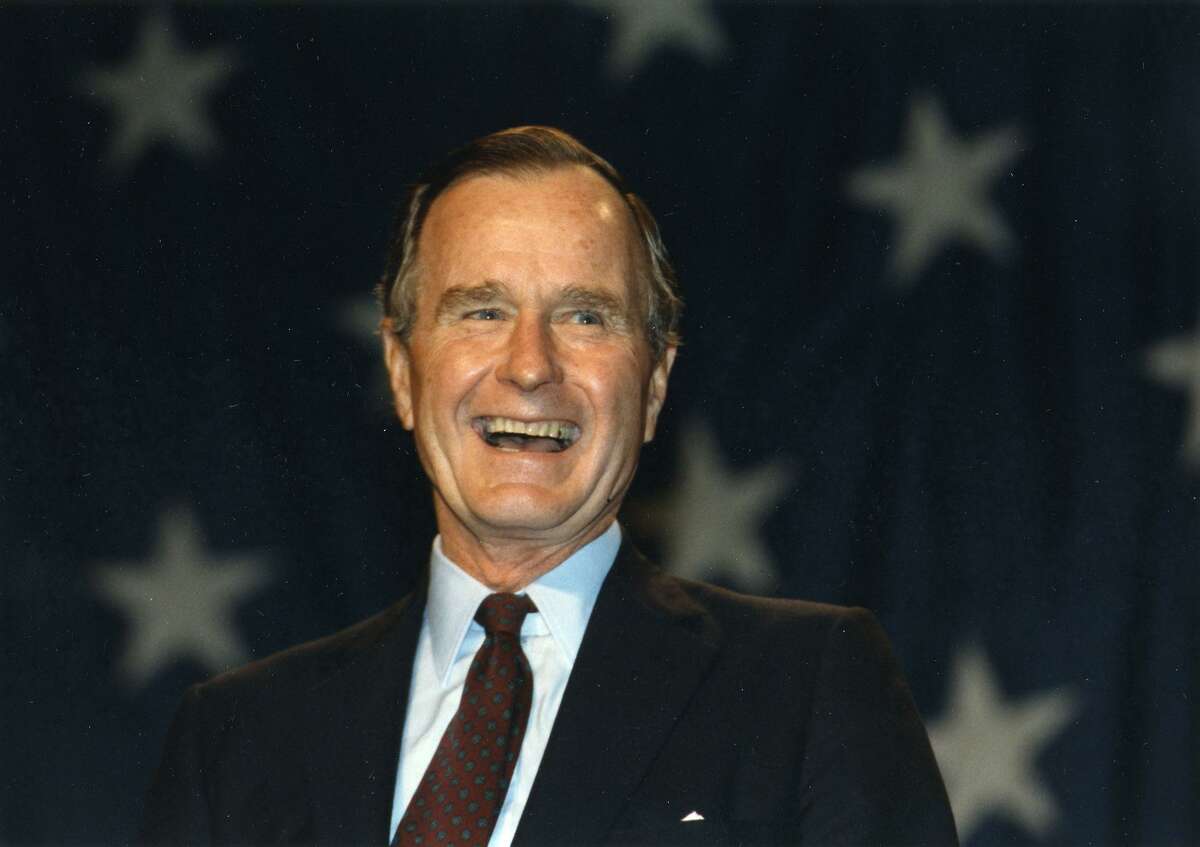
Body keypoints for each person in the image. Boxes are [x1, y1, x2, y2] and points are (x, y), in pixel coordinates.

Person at [141, 126, 958, 846]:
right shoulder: (235, 740)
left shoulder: (807, 689)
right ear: (400, 368)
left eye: (585, 316)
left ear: (657, 382)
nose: (531, 365)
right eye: (481, 311)